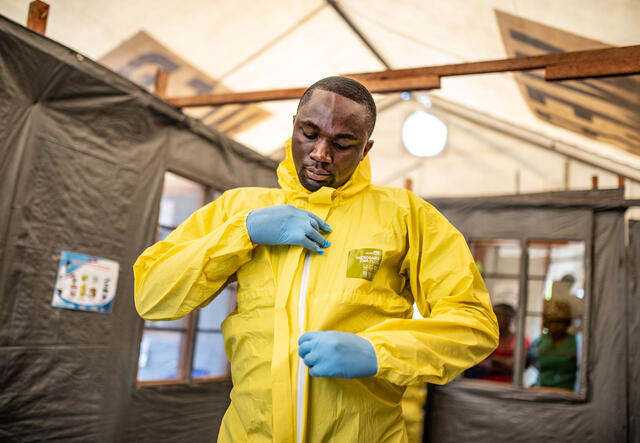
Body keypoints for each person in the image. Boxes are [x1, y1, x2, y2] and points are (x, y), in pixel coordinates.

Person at [134, 76, 499, 442]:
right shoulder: (239, 208)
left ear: (366, 149)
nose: (321, 154)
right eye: (309, 134)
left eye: (342, 143)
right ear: (293, 125)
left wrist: (379, 352)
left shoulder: (405, 216)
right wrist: (241, 232)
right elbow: (152, 296)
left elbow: (474, 325)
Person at [529, 298, 577, 390]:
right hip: (541, 391)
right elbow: (527, 361)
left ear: (566, 323)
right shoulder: (540, 341)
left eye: (558, 322)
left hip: (568, 394)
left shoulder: (576, 343)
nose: (554, 326)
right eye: (551, 322)